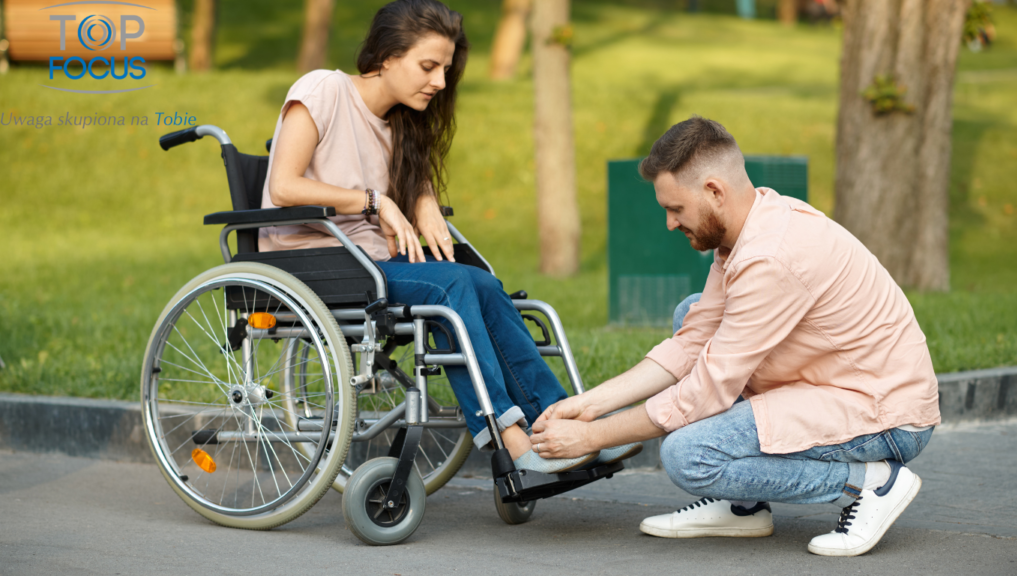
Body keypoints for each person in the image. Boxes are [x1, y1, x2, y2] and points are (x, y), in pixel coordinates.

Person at [530, 116, 941, 556]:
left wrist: (591, 438)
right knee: (691, 311)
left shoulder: (771, 258)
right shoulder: (748, 226)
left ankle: (873, 482)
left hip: (885, 413)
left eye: (675, 209)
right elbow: (693, 341)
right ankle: (744, 506)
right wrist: (588, 405)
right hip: (830, 385)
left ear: (713, 191)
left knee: (687, 456)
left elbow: (703, 393)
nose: (669, 223)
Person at [259, 0, 638, 473]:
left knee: (482, 284)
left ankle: (562, 426)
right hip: (315, 261)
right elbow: (284, 185)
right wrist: (375, 201)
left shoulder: (400, 121)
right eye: (428, 66)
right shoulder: (323, 89)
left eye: (445, 68)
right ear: (387, 57)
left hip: (370, 263)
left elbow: (409, 181)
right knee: (453, 287)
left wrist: (423, 201)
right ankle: (508, 437)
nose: (439, 81)